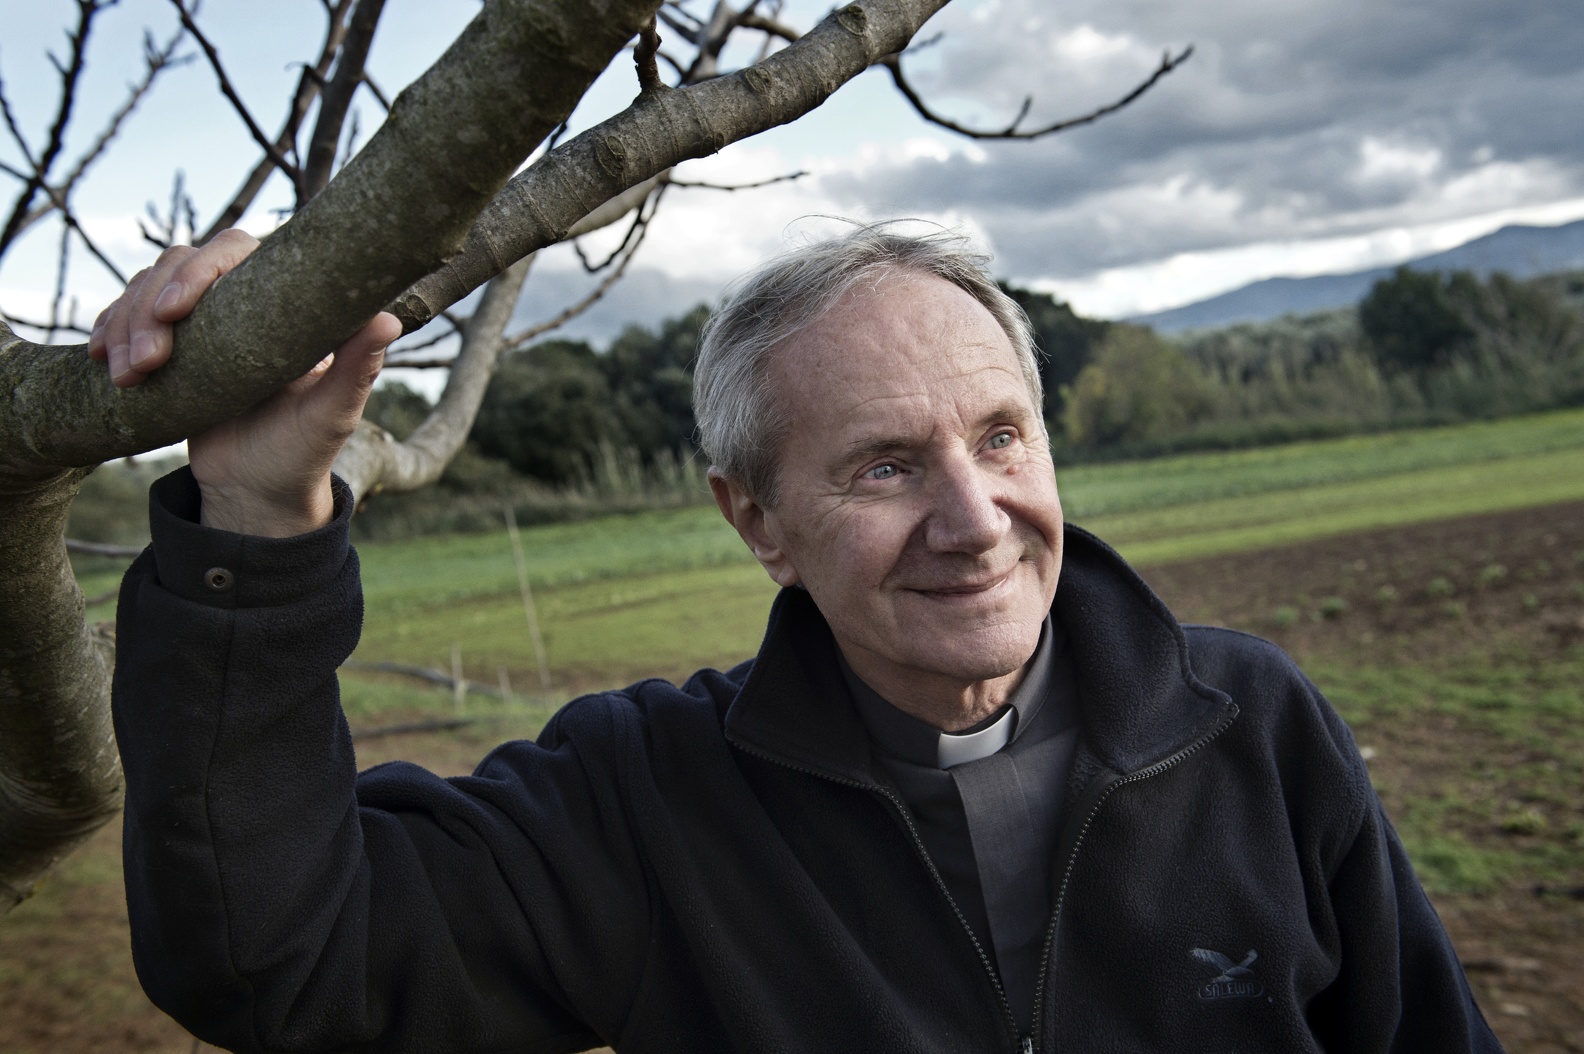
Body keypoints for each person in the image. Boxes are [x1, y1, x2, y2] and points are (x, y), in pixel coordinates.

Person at [101, 224, 1502, 1053]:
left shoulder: (1252, 724)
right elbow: (270, 955)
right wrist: (255, 505)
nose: (975, 517)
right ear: (756, 517)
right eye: (887, 465)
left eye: (1001, 437)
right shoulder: (644, 797)